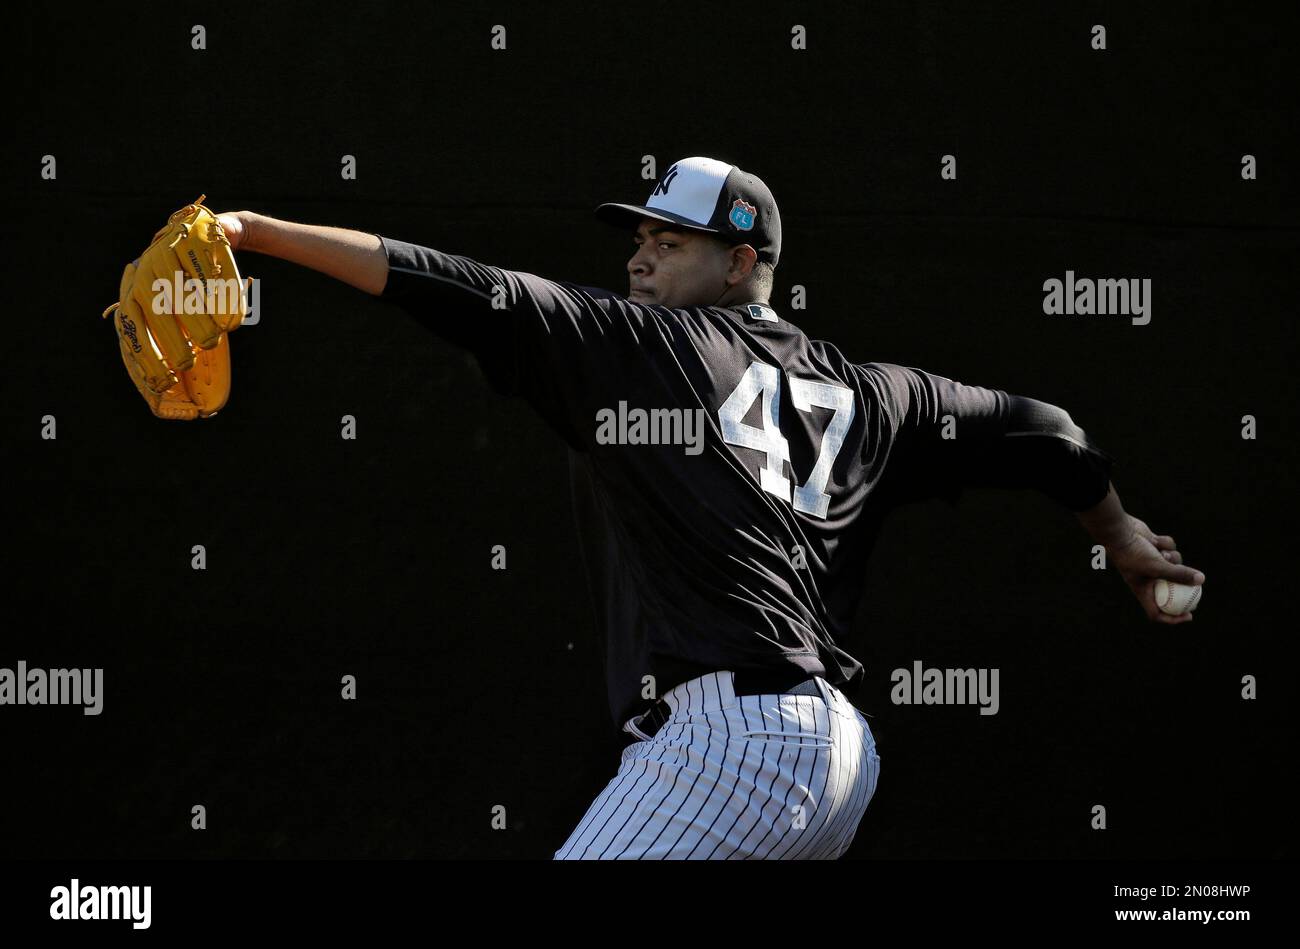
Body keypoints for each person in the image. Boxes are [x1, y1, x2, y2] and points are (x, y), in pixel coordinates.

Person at [214, 156, 1204, 859]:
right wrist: (1117, 532)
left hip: (728, 747)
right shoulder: (879, 394)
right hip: (840, 759)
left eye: (670, 240)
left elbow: (457, 287)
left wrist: (255, 232)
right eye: (639, 238)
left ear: (742, 263)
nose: (640, 260)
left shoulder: (646, 347)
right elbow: (1046, 429)